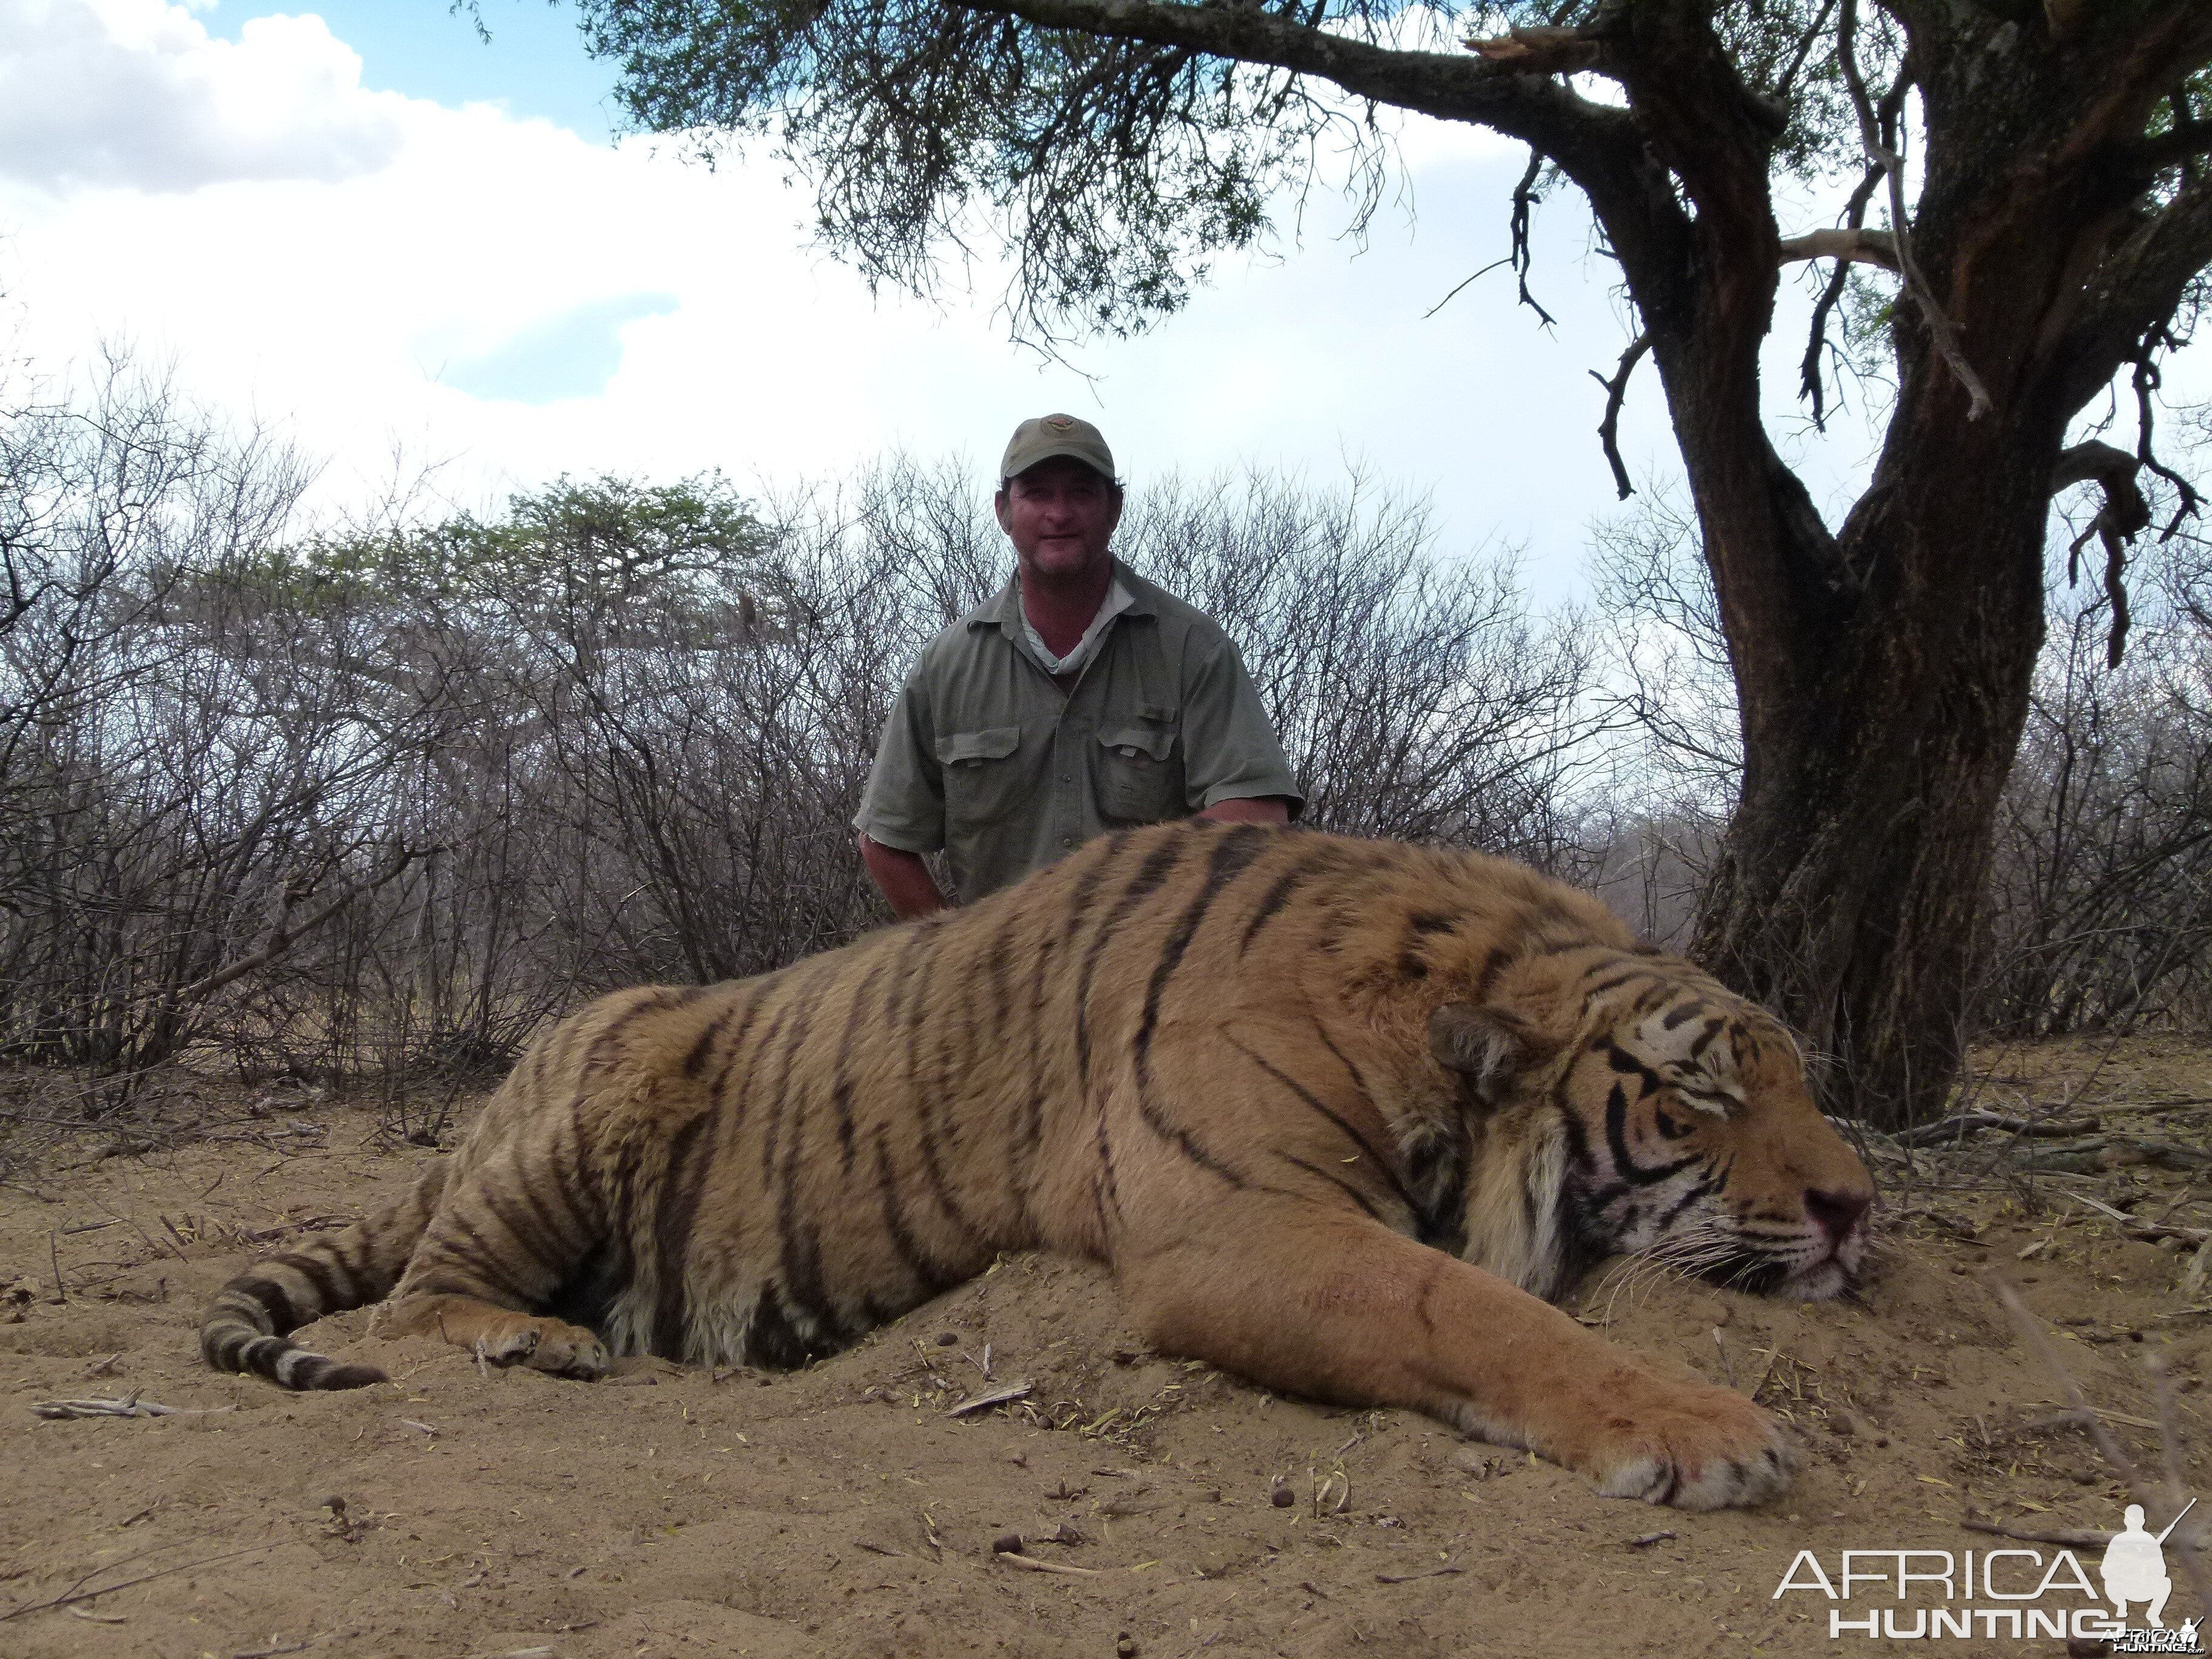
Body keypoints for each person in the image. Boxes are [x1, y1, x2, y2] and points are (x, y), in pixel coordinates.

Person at [855, 414, 1303, 919]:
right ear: (1003, 510)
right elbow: (886, 841)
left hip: (1153, 978)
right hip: (1001, 985)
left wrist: (1133, 932)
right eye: (1038, 494)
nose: (1059, 513)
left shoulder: (1193, 647)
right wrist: (960, 963)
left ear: (1114, 509)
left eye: (1082, 494)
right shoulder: (947, 663)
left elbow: (1258, 813)